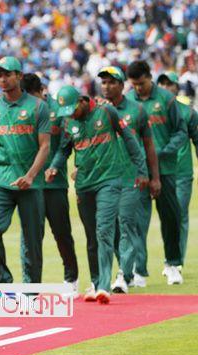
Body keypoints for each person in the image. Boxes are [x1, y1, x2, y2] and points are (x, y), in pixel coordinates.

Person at [47, 85, 148, 304]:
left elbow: (129, 139)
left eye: (73, 109)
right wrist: (54, 166)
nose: (71, 115)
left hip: (109, 180)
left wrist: (141, 170)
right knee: (92, 236)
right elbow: (64, 149)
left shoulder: (107, 112)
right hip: (84, 184)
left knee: (104, 230)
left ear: (82, 101)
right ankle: (95, 283)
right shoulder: (68, 122)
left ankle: (104, 286)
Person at [0, 57, 51, 284]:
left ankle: (31, 291)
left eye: (7, 74)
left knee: (32, 240)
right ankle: (4, 281)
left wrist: (30, 176)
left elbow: (45, 146)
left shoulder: (38, 107)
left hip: (31, 183)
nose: (2, 79)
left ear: (19, 76)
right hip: (0, 180)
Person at [97, 66, 161, 293]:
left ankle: (123, 275)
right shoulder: (97, 111)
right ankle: (124, 272)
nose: (106, 86)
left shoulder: (137, 110)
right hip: (104, 179)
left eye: (111, 82)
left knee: (126, 225)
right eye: (103, 82)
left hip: (130, 177)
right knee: (108, 229)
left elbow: (149, 146)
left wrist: (153, 177)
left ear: (122, 85)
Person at [126, 60, 187, 285]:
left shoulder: (167, 99)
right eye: (134, 84)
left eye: (141, 83)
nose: (138, 88)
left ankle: (173, 264)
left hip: (166, 169)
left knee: (171, 217)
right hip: (138, 171)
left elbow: (181, 132)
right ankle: (138, 271)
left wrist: (164, 151)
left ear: (150, 78)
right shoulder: (128, 101)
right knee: (135, 221)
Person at [20, 73, 79, 293]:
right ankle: (30, 285)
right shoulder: (21, 111)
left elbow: (66, 144)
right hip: (29, 185)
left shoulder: (58, 110)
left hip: (55, 185)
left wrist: (55, 166)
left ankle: (71, 278)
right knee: (30, 237)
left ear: (41, 91)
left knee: (61, 233)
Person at [157, 71, 198, 272]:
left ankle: (176, 261)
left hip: (181, 171)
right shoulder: (151, 111)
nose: (166, 88)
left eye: (169, 84)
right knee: (164, 215)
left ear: (176, 87)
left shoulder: (188, 112)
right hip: (157, 170)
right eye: (162, 84)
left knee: (179, 214)